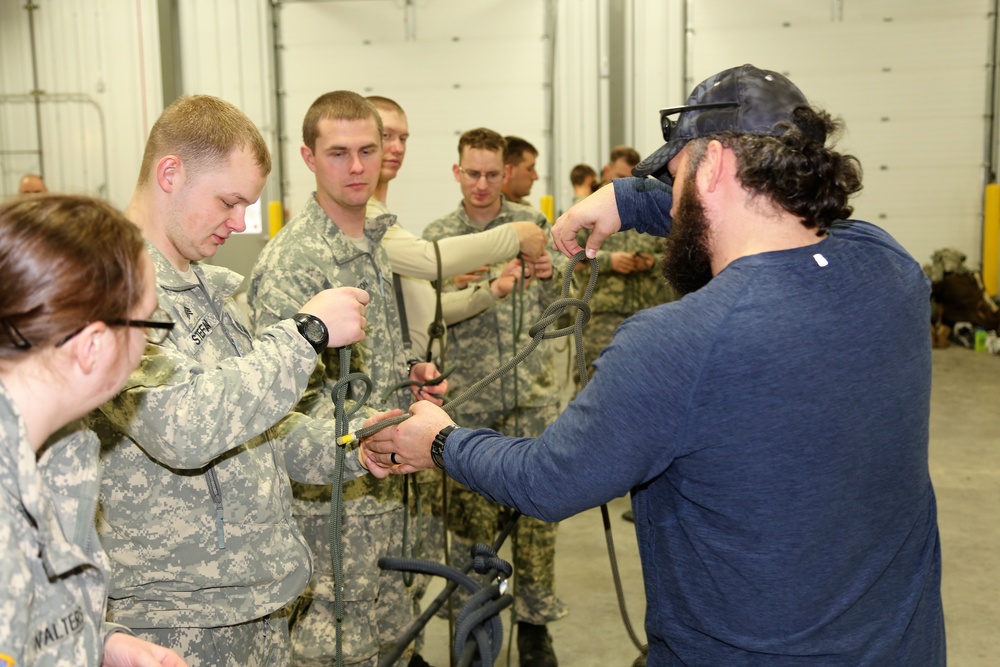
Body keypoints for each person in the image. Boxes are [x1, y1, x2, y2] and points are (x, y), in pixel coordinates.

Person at [360, 64, 946, 666]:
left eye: (676, 174)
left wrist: (441, 441)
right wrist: (626, 198)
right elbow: (789, 217)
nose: (672, 193)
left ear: (714, 164)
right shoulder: (890, 268)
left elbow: (547, 479)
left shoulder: (678, 343)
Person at [91, 95, 371, 667]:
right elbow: (181, 427)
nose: (240, 222)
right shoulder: (110, 287)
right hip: (171, 621)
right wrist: (307, 332)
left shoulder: (202, 288)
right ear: (170, 172)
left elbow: (257, 433)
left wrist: (359, 446)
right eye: (228, 201)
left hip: (256, 601)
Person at [247, 91, 449, 667]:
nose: (357, 167)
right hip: (333, 522)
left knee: (397, 643)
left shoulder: (372, 245)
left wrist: (409, 378)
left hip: (389, 499)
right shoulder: (296, 263)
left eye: (368, 150)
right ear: (309, 158)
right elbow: (282, 407)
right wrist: (379, 426)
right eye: (338, 153)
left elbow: (361, 368)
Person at [0, 194, 186, 666]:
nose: (150, 346)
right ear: (92, 346)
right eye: (148, 323)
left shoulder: (43, 450)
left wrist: (100, 644)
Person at [422, 128, 568, 667]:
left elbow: (569, 306)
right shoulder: (438, 239)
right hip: (468, 399)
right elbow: (423, 311)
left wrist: (553, 275)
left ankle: (534, 625)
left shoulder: (532, 228)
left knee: (536, 519)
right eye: (472, 173)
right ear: (457, 172)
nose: (482, 185)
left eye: (491, 174)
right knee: (467, 525)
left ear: (505, 173)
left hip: (529, 395)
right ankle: (472, 623)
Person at [574, 145, 675, 384]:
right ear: (607, 171)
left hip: (646, 312)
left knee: (644, 383)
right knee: (595, 380)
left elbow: (671, 252)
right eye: (619, 178)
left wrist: (651, 262)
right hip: (603, 315)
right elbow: (569, 254)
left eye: (630, 179)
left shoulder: (650, 209)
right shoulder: (590, 210)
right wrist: (610, 260)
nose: (624, 186)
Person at [501, 136, 539, 205]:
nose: (535, 177)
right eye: (529, 169)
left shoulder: (527, 210)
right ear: (509, 170)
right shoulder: (492, 210)